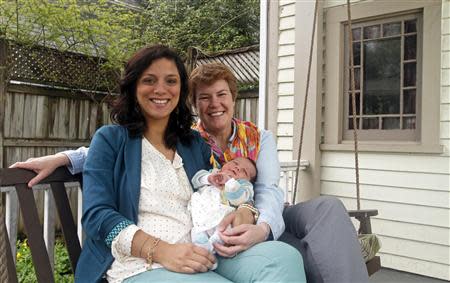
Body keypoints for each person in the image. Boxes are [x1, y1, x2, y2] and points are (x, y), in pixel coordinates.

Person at [11, 61, 367, 283]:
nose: (215, 104)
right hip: (150, 257)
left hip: (233, 226)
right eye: (149, 80)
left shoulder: (206, 142)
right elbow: (108, 163)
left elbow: (270, 189)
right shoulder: (180, 137)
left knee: (291, 252)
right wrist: (65, 158)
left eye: (170, 81)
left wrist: (253, 218)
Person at [190, 157, 257, 265]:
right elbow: (195, 180)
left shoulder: (244, 186)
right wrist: (209, 178)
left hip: (221, 217)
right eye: (235, 163)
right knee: (196, 230)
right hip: (202, 212)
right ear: (224, 164)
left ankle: (212, 247)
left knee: (227, 230)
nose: (237, 168)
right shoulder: (214, 172)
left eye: (244, 171)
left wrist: (230, 182)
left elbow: (239, 199)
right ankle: (200, 245)